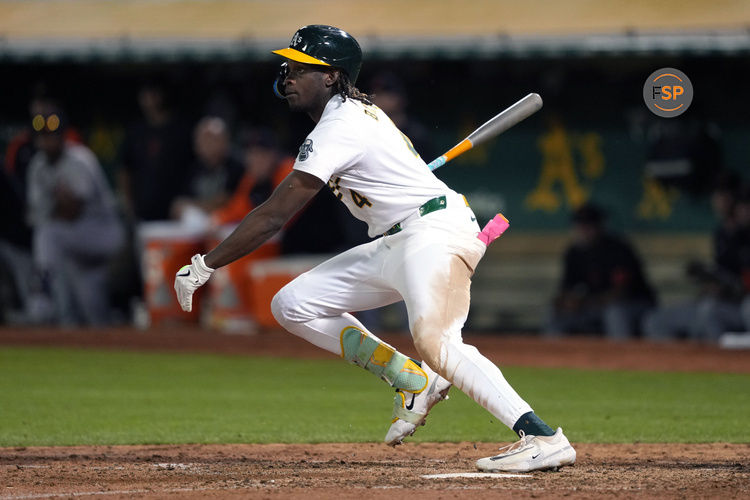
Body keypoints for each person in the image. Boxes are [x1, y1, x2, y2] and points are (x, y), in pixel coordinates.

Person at [174, 25, 575, 473]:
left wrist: (206, 263)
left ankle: (540, 436)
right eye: (287, 65)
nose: (287, 75)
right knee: (293, 304)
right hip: (396, 239)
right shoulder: (351, 114)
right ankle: (410, 379)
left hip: (433, 233)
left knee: (436, 340)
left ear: (330, 77)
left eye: (300, 67)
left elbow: (273, 215)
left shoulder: (339, 125)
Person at [26, 104, 124, 325]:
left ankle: (42, 293)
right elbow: (36, 215)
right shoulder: (37, 167)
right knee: (93, 316)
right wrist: (58, 202)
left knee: (49, 234)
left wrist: (57, 206)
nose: (47, 141)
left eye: (52, 136)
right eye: (42, 136)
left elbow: (73, 212)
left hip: (101, 235)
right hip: (75, 248)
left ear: (63, 136)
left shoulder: (80, 159)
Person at [547, 204, 656, 339]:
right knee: (555, 314)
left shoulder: (618, 249)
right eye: (580, 225)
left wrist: (584, 302)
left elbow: (621, 293)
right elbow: (566, 289)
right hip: (595, 307)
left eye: (589, 225)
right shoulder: (574, 253)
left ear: (600, 226)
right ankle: (554, 359)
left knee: (615, 313)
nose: (584, 230)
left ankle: (622, 358)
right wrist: (565, 301)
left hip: (635, 304)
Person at [171, 116, 244, 222]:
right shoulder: (193, 169)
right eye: (203, 139)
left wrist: (193, 206)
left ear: (226, 141)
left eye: (213, 139)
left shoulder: (238, 167)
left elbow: (227, 202)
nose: (207, 145)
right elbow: (178, 205)